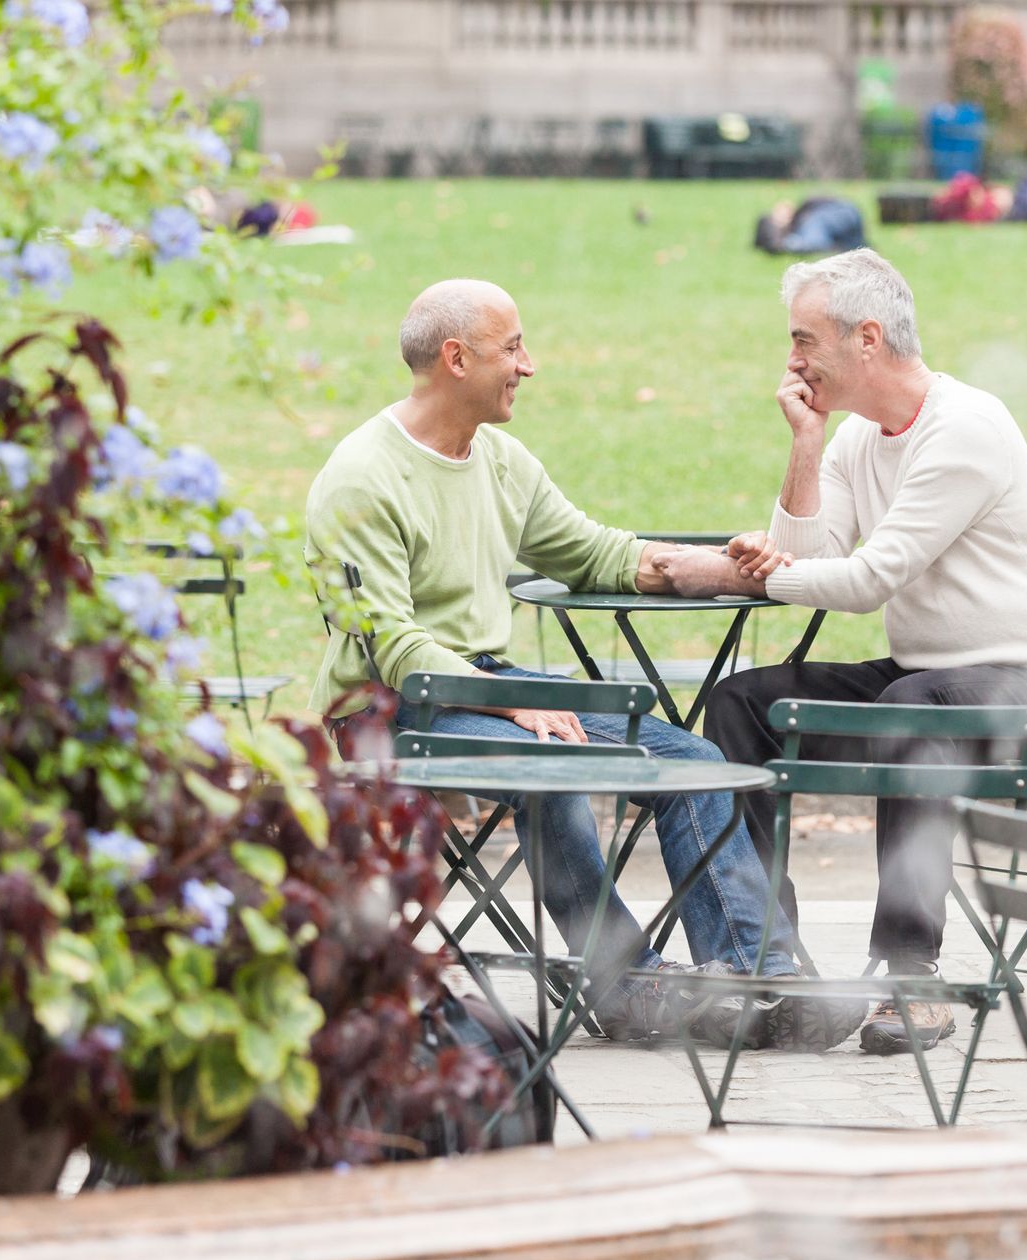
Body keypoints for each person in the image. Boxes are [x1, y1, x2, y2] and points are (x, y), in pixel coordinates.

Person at [306, 279, 861, 1052]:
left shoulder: (499, 460)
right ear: (455, 358)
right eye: (513, 349)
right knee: (551, 755)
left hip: (492, 687)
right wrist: (510, 698)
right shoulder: (362, 478)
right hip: (389, 709)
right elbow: (388, 645)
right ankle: (627, 986)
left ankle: (754, 981)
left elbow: (595, 553)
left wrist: (726, 568)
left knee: (692, 761)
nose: (529, 365)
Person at [652, 249, 1027, 1056]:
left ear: (866, 337)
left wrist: (733, 573)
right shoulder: (860, 436)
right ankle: (766, 960)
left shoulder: (966, 429)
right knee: (742, 704)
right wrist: (806, 445)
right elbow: (810, 550)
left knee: (913, 711)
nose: (790, 360)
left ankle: (908, 975)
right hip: (925, 681)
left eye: (802, 340)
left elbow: (863, 582)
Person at [754, 196, 868, 256]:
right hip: (850, 213)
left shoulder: (807, 219)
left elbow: (814, 244)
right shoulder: (804, 222)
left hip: (839, 213)